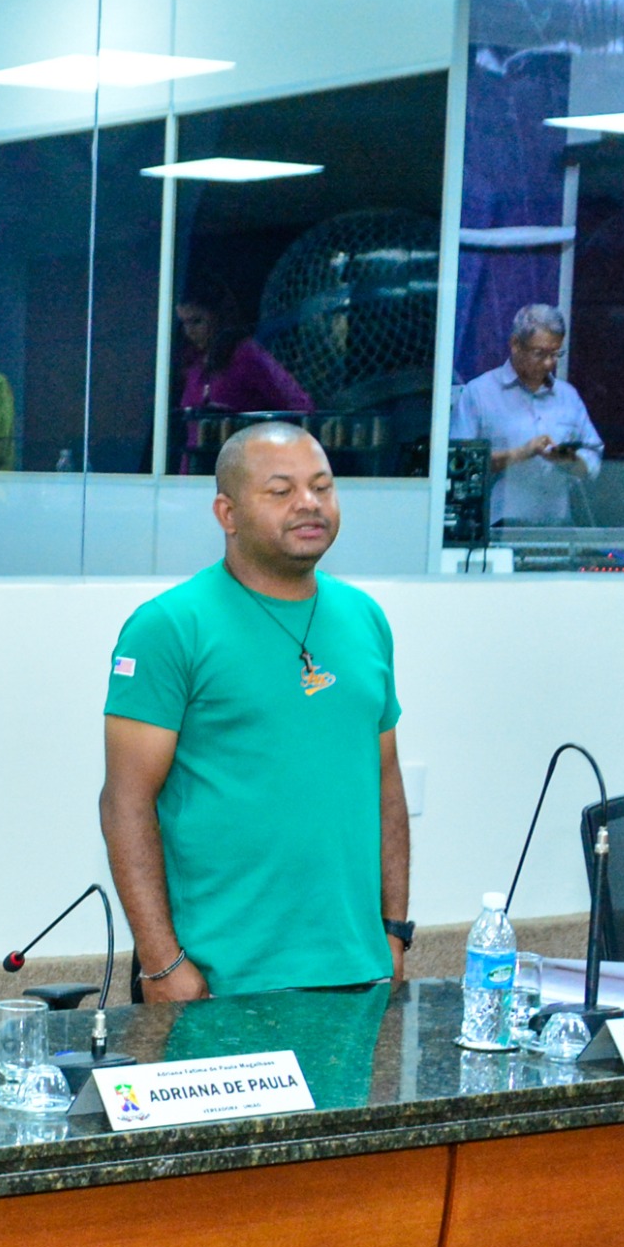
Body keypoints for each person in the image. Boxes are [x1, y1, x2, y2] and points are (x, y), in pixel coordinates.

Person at [102, 419, 414, 1003]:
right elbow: (125, 803)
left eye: (322, 487)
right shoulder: (169, 626)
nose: (309, 503)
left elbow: (386, 781)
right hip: (217, 980)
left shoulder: (366, 618)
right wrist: (163, 965)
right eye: (281, 491)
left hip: (356, 971)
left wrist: (395, 930)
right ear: (228, 513)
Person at [447, 304, 603, 530]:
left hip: (558, 527)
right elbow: (455, 464)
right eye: (540, 354)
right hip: (499, 529)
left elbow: (593, 456)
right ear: (515, 344)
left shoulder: (568, 397)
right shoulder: (479, 393)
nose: (549, 363)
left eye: (555, 354)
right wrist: (520, 454)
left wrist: (568, 460)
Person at [173, 296, 313, 425]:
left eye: (196, 321)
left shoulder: (246, 355)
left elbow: (300, 406)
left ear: (218, 317)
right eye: (184, 323)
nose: (189, 331)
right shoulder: (193, 363)